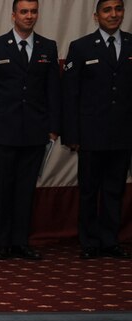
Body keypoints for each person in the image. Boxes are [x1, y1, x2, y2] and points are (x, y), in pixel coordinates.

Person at [0, 0, 60, 261]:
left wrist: (54, 127)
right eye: (24, 11)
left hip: (35, 133)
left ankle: (21, 242)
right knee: (5, 188)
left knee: (26, 190)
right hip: (1, 133)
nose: (29, 16)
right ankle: (2, 243)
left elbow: (53, 92)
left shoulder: (48, 47)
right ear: (13, 15)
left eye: (33, 11)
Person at [63, 0, 131, 259]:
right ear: (96, 16)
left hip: (123, 134)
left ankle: (110, 240)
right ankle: (89, 241)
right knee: (89, 191)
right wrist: (72, 135)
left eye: (118, 9)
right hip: (90, 135)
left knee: (115, 190)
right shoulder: (80, 47)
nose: (114, 14)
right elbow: (70, 95)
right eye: (107, 10)